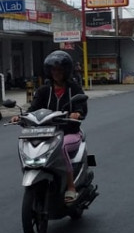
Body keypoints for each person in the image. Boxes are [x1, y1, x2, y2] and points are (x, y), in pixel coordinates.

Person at [10, 50, 87, 204]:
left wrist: (77, 113)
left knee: (62, 146)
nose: (56, 73)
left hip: (69, 132)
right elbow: (33, 108)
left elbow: (81, 106)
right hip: (48, 133)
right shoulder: (44, 90)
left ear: (66, 71)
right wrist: (21, 116)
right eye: (53, 70)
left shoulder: (74, 88)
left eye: (59, 70)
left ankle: (70, 187)